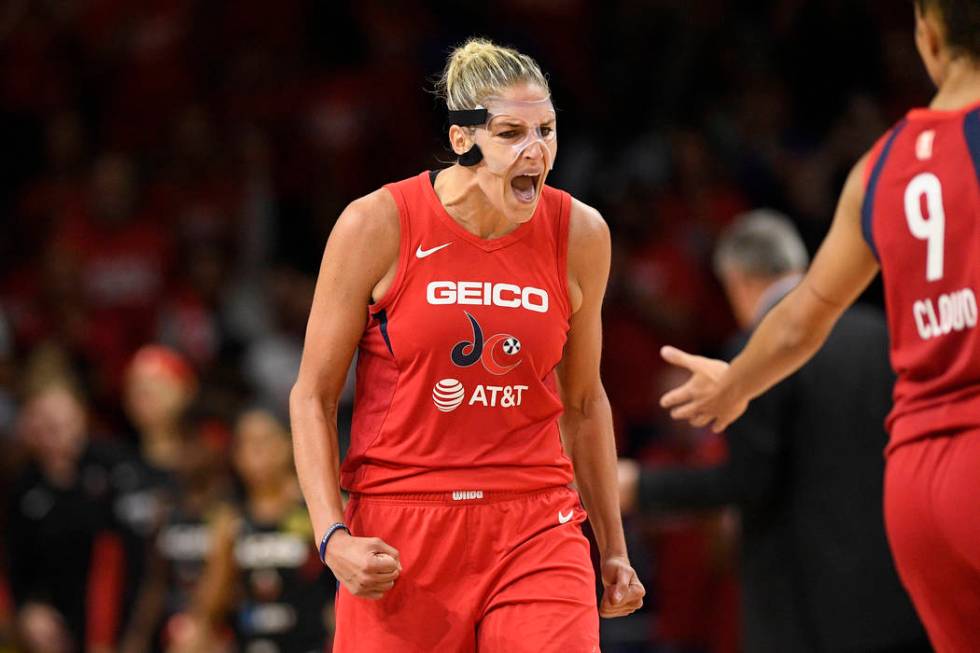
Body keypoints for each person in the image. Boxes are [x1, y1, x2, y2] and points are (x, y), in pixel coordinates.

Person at [289, 37, 644, 652]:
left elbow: (585, 403)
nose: (536, 150)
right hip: (404, 525)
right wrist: (332, 537)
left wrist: (613, 550)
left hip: (536, 520)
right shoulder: (377, 223)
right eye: (511, 133)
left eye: (547, 130)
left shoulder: (581, 233)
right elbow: (312, 398)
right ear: (463, 140)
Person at [658, 3, 980, 650]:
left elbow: (802, 318)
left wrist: (736, 383)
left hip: (915, 482)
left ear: (929, 34)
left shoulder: (878, 165)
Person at [621, 211, 928, 652]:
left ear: (739, 281)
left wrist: (640, 486)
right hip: (900, 588)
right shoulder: (880, 332)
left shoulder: (754, 352)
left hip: (805, 606)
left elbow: (748, 481)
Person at [198, 409, 332, 653]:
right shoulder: (229, 519)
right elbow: (210, 605)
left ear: (289, 443)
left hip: (315, 642)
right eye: (246, 443)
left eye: (264, 440)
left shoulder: (320, 507)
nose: (256, 450)